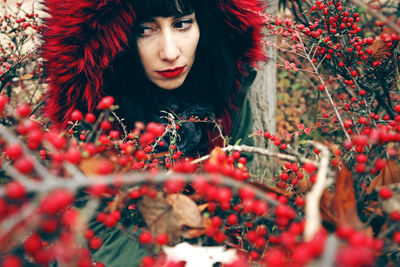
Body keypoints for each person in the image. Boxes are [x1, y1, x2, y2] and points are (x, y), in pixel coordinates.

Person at [41, 0, 265, 265]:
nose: (170, 52)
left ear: (204, 23)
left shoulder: (225, 90)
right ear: (117, 35)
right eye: (145, 30)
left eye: (182, 24)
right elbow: (98, 228)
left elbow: (235, 194)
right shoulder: (94, 116)